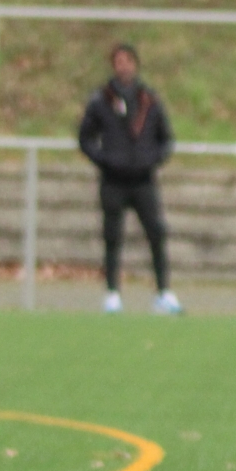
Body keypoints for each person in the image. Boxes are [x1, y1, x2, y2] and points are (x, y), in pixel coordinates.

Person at [77, 43, 181, 315]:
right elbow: (85, 138)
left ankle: (163, 292)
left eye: (127, 61)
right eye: (118, 62)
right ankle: (112, 293)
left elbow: (166, 139)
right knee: (112, 236)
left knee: (156, 233)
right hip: (113, 180)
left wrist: (151, 159)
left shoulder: (149, 99)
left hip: (143, 180)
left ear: (135, 64)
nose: (123, 67)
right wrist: (105, 160)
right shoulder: (101, 100)